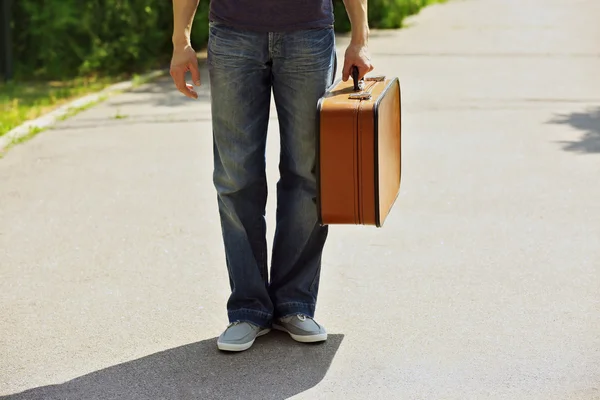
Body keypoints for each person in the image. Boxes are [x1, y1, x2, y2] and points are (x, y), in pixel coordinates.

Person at [170, 0, 373, 352]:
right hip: (233, 35)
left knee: (308, 174)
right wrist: (180, 40)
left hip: (309, 34)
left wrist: (360, 37)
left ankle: (294, 303)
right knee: (236, 177)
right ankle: (248, 309)